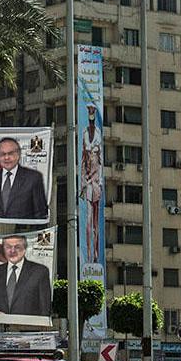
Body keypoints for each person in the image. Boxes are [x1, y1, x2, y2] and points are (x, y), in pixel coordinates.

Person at [0, 137, 48, 220]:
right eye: (2, 154)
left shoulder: (33, 178)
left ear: (18, 155)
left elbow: (40, 212)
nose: (6, 158)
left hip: (22, 231)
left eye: (10, 153)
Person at [0, 235, 51, 316]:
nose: (12, 251)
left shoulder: (39, 272)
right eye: (8, 247)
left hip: (28, 327)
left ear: (24, 249)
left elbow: (45, 308)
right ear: (4, 249)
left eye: (17, 247)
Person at [80, 103, 102, 263]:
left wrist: (99, 183)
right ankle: (88, 254)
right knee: (88, 221)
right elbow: (83, 158)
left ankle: (95, 253)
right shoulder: (84, 133)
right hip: (88, 182)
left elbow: (99, 159)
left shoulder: (98, 134)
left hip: (96, 183)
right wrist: (82, 184)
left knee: (96, 222)